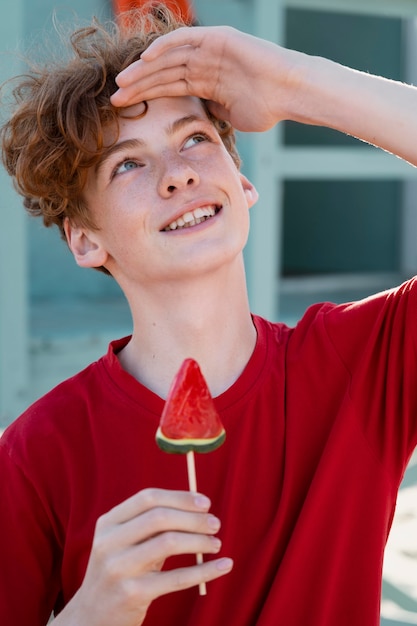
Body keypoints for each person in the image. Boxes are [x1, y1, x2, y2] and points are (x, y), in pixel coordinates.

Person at [1, 4, 417, 625]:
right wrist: (88, 614)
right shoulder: (36, 453)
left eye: (195, 138)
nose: (178, 176)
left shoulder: (362, 359)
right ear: (86, 240)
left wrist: (290, 83)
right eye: (129, 164)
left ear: (242, 184)